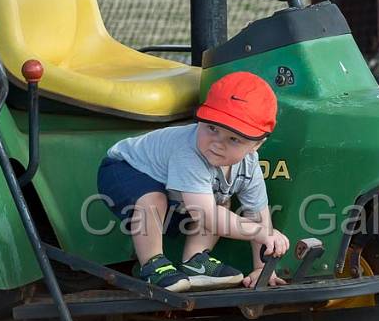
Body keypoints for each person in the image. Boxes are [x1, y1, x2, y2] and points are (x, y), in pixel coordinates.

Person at [96, 71, 290, 292]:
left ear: (256, 145)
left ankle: (195, 261)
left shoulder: (249, 167)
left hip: (174, 187)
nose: (217, 143)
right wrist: (257, 232)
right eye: (212, 128)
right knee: (155, 200)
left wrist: (261, 269)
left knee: (222, 202)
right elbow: (204, 214)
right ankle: (153, 265)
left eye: (234, 139)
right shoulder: (189, 152)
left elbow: (258, 215)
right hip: (125, 169)